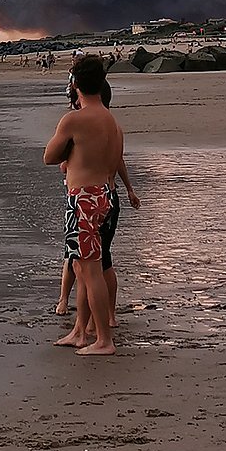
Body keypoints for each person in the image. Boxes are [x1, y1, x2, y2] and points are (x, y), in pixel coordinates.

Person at [44, 55, 124, 355]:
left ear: (75, 84)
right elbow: (115, 161)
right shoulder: (111, 121)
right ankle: (80, 330)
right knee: (80, 266)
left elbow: (50, 157)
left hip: (84, 198)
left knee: (90, 270)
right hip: (103, 193)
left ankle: (103, 339)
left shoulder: (74, 120)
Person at [55, 78, 141, 323]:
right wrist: (130, 189)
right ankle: (107, 317)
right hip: (110, 197)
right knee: (104, 261)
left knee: (80, 261)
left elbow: (55, 160)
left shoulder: (82, 125)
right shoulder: (113, 126)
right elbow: (119, 160)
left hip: (88, 198)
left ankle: (88, 324)